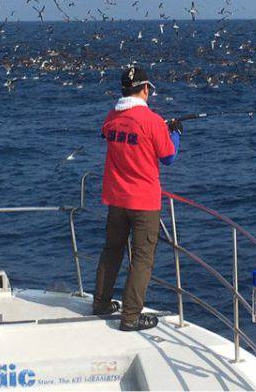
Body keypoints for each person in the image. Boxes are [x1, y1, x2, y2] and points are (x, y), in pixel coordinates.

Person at [93, 65, 182, 331]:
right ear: (144, 89)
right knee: (142, 258)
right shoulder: (153, 122)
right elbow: (168, 158)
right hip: (143, 201)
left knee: (112, 251)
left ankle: (101, 303)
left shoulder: (112, 117)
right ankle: (130, 316)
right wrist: (175, 133)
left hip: (116, 198)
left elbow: (110, 131)